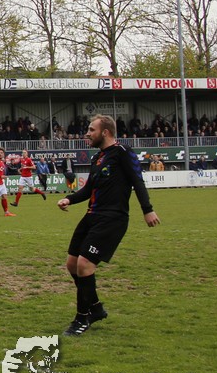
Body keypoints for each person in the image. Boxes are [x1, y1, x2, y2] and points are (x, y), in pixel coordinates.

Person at [57, 115, 160, 336]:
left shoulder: (123, 152)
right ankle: (95, 307)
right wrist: (69, 199)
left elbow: (137, 181)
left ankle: (82, 318)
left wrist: (147, 209)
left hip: (112, 218)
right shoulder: (97, 158)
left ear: (105, 132)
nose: (87, 133)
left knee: (85, 264)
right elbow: (88, 190)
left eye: (91, 129)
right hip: (91, 216)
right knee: (72, 264)